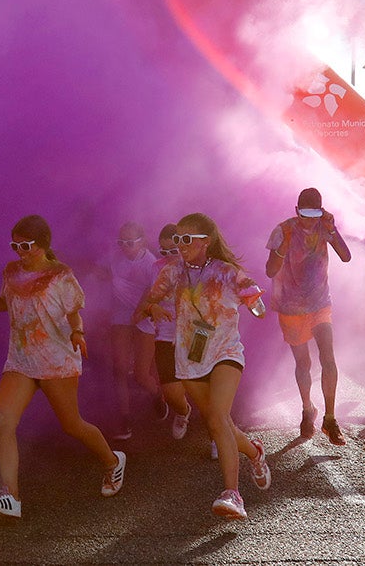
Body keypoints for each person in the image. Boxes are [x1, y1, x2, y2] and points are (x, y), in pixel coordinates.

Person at [0, 215, 124, 519]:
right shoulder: (12, 271)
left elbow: (74, 313)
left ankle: (112, 462)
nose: (19, 251)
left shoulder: (61, 275)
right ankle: (10, 496)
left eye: (25, 245)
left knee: (72, 425)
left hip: (57, 360)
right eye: (14, 245)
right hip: (21, 360)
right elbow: (6, 302)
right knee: (3, 422)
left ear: (42, 246)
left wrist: (78, 333)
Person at [136, 213, 270, 519]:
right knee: (215, 420)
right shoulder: (172, 273)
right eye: (177, 240)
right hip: (191, 357)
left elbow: (256, 303)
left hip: (225, 351)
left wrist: (254, 303)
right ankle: (254, 451)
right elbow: (149, 300)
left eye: (187, 239)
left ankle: (232, 494)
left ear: (205, 242)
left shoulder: (227, 271)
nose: (180, 245)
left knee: (219, 416)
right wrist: (153, 306)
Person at [265, 188, 353, 444]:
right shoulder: (283, 230)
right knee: (303, 364)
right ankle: (307, 409)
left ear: (321, 211)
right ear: (296, 210)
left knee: (328, 357)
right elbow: (270, 271)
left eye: (315, 214)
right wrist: (281, 249)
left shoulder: (324, 227)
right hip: (290, 307)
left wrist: (333, 229)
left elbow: (346, 257)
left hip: (319, 303)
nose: (310, 220)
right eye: (305, 214)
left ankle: (330, 419)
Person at [105, 221, 162, 440]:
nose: (125, 247)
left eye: (130, 243)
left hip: (144, 316)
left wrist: (140, 312)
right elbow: (106, 279)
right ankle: (125, 419)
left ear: (143, 242)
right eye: (121, 242)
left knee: (141, 374)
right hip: (120, 315)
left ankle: (158, 395)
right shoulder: (114, 259)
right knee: (119, 368)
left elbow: (153, 294)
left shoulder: (152, 264)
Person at [141, 224, 194, 441]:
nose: (168, 256)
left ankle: (217, 436)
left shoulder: (195, 266)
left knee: (204, 389)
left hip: (195, 335)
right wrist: (153, 308)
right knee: (171, 391)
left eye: (173, 250)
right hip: (166, 334)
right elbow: (150, 300)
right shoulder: (156, 268)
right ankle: (183, 412)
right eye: (163, 251)